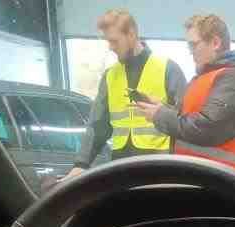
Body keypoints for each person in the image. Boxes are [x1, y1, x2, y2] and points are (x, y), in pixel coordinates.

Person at [135, 14, 235, 175]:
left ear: (215, 43)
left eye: (194, 45)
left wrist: (161, 116)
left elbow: (207, 128)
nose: (191, 52)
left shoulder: (234, 80)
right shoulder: (208, 78)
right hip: (208, 180)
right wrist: (163, 108)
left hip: (230, 184)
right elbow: (193, 118)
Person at [65, 9, 186, 180]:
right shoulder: (110, 75)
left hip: (159, 167)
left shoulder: (168, 69)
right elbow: (98, 125)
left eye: (114, 41)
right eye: (108, 41)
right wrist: (81, 164)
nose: (110, 47)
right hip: (121, 169)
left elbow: (185, 122)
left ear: (131, 34)